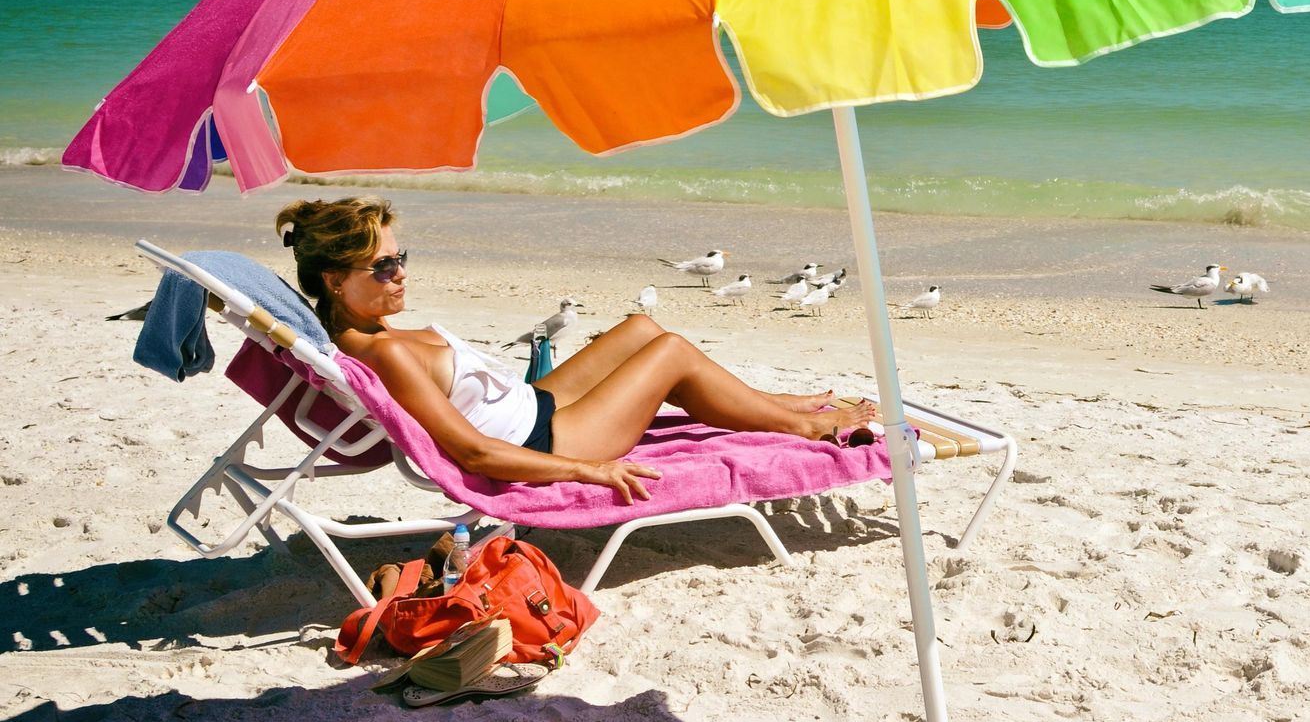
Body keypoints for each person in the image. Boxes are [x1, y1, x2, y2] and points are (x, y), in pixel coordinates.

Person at [274, 196, 877, 503]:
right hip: (549, 440)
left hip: (535, 406)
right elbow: (473, 451)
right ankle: (806, 428)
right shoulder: (389, 356)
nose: (399, 274)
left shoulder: (370, 334)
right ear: (334, 279)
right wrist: (589, 470)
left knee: (640, 327)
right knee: (669, 350)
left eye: (401, 258)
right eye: (383, 267)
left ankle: (773, 402)